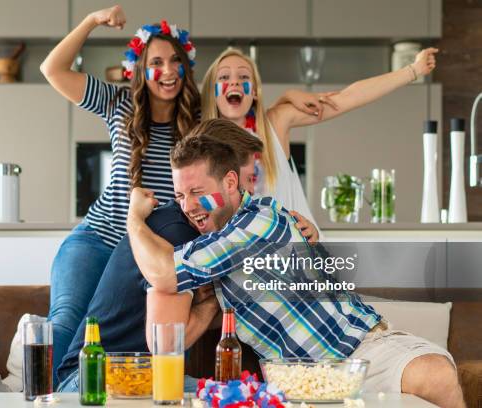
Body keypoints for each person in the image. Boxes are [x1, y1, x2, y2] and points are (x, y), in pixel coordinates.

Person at [127, 130, 465, 407]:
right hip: (299, 380)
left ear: (230, 183)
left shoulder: (259, 221)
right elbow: (170, 336)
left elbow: (163, 274)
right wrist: (213, 297)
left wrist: (133, 218)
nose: (187, 207)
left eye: (197, 192)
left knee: (436, 374)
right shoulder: (214, 252)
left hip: (358, 349)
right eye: (179, 196)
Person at [39, 4, 200, 381]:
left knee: (121, 340)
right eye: (156, 62)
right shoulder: (119, 103)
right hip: (97, 239)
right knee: (65, 323)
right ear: (140, 69)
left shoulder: (198, 122)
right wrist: (92, 20)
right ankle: (39, 398)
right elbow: (53, 70)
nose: (168, 71)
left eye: (176, 61)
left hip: (141, 256)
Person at [55, 119, 263, 391]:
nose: (251, 189)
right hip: (92, 378)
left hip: (130, 373)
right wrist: (213, 302)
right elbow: (165, 343)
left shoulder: (217, 235)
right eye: (181, 195)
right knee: (232, 397)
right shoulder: (176, 232)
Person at [201, 47, 439, 238]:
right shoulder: (202, 147)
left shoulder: (276, 122)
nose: (233, 83)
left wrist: (413, 70)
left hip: (295, 258)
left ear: (254, 91)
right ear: (213, 91)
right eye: (224, 77)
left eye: (244, 77)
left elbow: (348, 98)